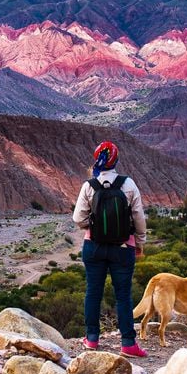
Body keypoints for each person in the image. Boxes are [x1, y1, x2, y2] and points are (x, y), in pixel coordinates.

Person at [72, 141, 148, 358]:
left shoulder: (90, 185)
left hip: (93, 247)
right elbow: (139, 218)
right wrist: (140, 243)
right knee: (123, 295)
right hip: (123, 248)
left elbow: (78, 218)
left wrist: (94, 227)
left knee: (93, 292)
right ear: (116, 160)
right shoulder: (129, 184)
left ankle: (92, 339)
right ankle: (128, 344)